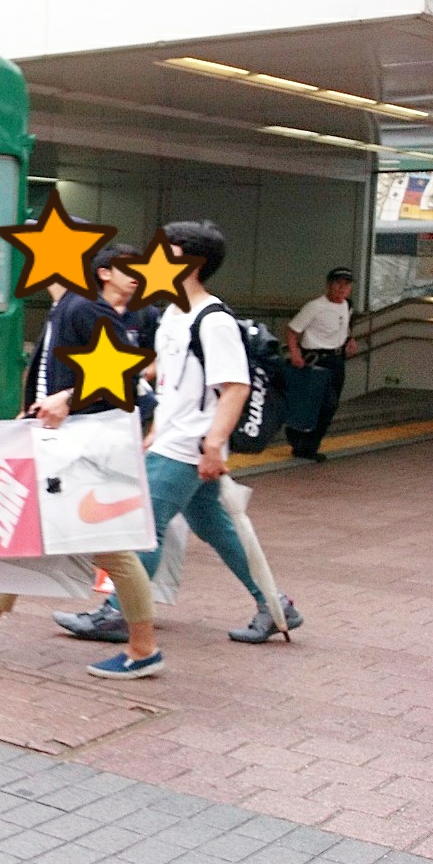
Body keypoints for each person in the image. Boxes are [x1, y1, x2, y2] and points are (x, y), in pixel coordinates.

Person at [0, 251, 168, 680]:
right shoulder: (68, 303)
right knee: (20, 533)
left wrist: (66, 399)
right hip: (60, 441)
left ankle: (143, 648)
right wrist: (33, 411)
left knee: (113, 551)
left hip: (80, 447)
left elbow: (124, 376)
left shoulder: (85, 306)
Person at [54, 222, 301, 647]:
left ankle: (118, 615)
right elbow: (170, 381)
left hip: (189, 446)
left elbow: (235, 387)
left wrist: (212, 445)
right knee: (218, 529)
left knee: (143, 525)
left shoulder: (213, 320)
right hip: (173, 440)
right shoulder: (173, 313)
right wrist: (154, 429)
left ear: (189, 263)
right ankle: (276, 605)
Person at [285, 267, 358, 461]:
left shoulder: (347, 305)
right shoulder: (315, 306)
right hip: (316, 360)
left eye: (347, 284)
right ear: (329, 285)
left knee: (330, 406)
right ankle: (301, 444)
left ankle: (307, 444)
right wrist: (295, 353)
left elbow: (345, 325)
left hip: (336, 359)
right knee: (318, 404)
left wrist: (349, 339)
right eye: (338, 283)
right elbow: (292, 330)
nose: (342, 288)